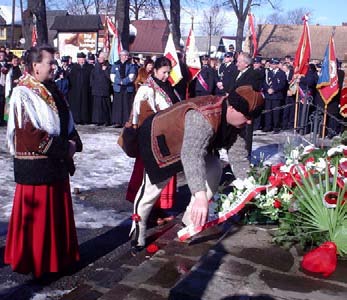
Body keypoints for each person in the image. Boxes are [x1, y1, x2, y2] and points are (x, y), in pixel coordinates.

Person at [129, 85, 264, 253]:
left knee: (214, 167)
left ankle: (190, 221)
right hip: (162, 140)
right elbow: (191, 156)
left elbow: (238, 158)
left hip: (192, 145)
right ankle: (138, 229)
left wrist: (251, 188)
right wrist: (199, 195)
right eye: (247, 116)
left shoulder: (238, 124)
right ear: (231, 108)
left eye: (253, 117)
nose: (250, 121)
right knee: (152, 191)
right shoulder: (203, 117)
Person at [5, 45, 82, 278]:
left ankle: (59, 259)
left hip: (55, 166)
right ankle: (38, 264)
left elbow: (67, 121)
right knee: (39, 223)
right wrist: (65, 148)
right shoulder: (22, 93)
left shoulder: (53, 89)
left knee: (56, 219)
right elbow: (29, 135)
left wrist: (74, 142)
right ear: (35, 66)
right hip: (37, 170)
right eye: (50, 62)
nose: (53, 66)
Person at [126, 56, 181, 226]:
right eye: (164, 72)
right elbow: (140, 115)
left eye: (168, 72)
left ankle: (158, 209)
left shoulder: (167, 87)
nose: (166, 76)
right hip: (151, 141)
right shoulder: (147, 89)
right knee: (150, 179)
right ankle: (146, 213)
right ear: (155, 70)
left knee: (163, 177)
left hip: (166, 140)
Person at [110, 50, 137, 127]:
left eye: (126, 55)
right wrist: (119, 82)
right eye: (124, 55)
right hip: (118, 89)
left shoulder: (131, 65)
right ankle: (117, 121)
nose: (125, 57)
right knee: (117, 105)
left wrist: (123, 82)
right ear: (120, 56)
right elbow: (112, 76)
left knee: (127, 105)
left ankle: (126, 121)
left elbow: (132, 76)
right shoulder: (115, 65)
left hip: (127, 89)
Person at [67, 52, 94, 124]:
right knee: (77, 105)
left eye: (83, 59)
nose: (82, 61)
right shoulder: (74, 67)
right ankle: (77, 119)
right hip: (76, 90)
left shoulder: (90, 67)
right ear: (78, 60)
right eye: (80, 59)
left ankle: (85, 119)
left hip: (86, 90)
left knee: (86, 104)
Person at [90, 51, 112, 126]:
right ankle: (98, 120)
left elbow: (110, 78)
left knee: (105, 106)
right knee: (97, 107)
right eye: (98, 57)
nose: (99, 59)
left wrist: (105, 70)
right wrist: (92, 85)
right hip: (96, 89)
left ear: (105, 58)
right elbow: (92, 76)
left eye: (101, 57)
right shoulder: (96, 66)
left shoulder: (109, 66)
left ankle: (106, 121)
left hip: (105, 90)